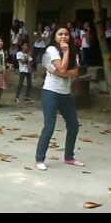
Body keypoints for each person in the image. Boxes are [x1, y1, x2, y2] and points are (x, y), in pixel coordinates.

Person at [35, 26, 84, 171]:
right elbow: (63, 69)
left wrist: (63, 71)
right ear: (55, 36)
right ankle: (39, 159)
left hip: (66, 94)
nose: (63, 37)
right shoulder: (51, 50)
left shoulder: (74, 52)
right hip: (50, 92)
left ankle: (69, 157)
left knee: (74, 125)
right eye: (60, 34)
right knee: (49, 126)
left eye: (66, 34)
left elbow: (75, 72)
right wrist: (66, 52)